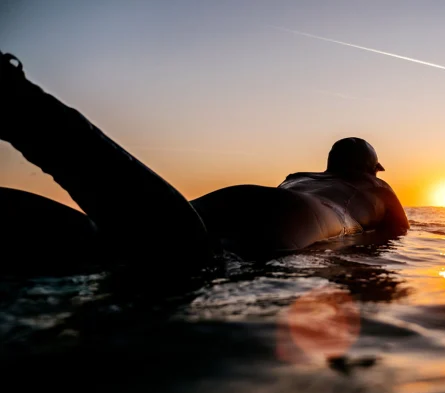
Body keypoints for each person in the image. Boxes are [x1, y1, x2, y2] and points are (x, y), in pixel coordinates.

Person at [0, 52, 409, 273]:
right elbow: (397, 237)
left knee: (116, 239)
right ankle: (22, 105)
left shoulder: (300, 176)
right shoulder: (378, 188)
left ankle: (23, 112)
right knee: (188, 259)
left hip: (242, 196)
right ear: (372, 169)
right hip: (299, 218)